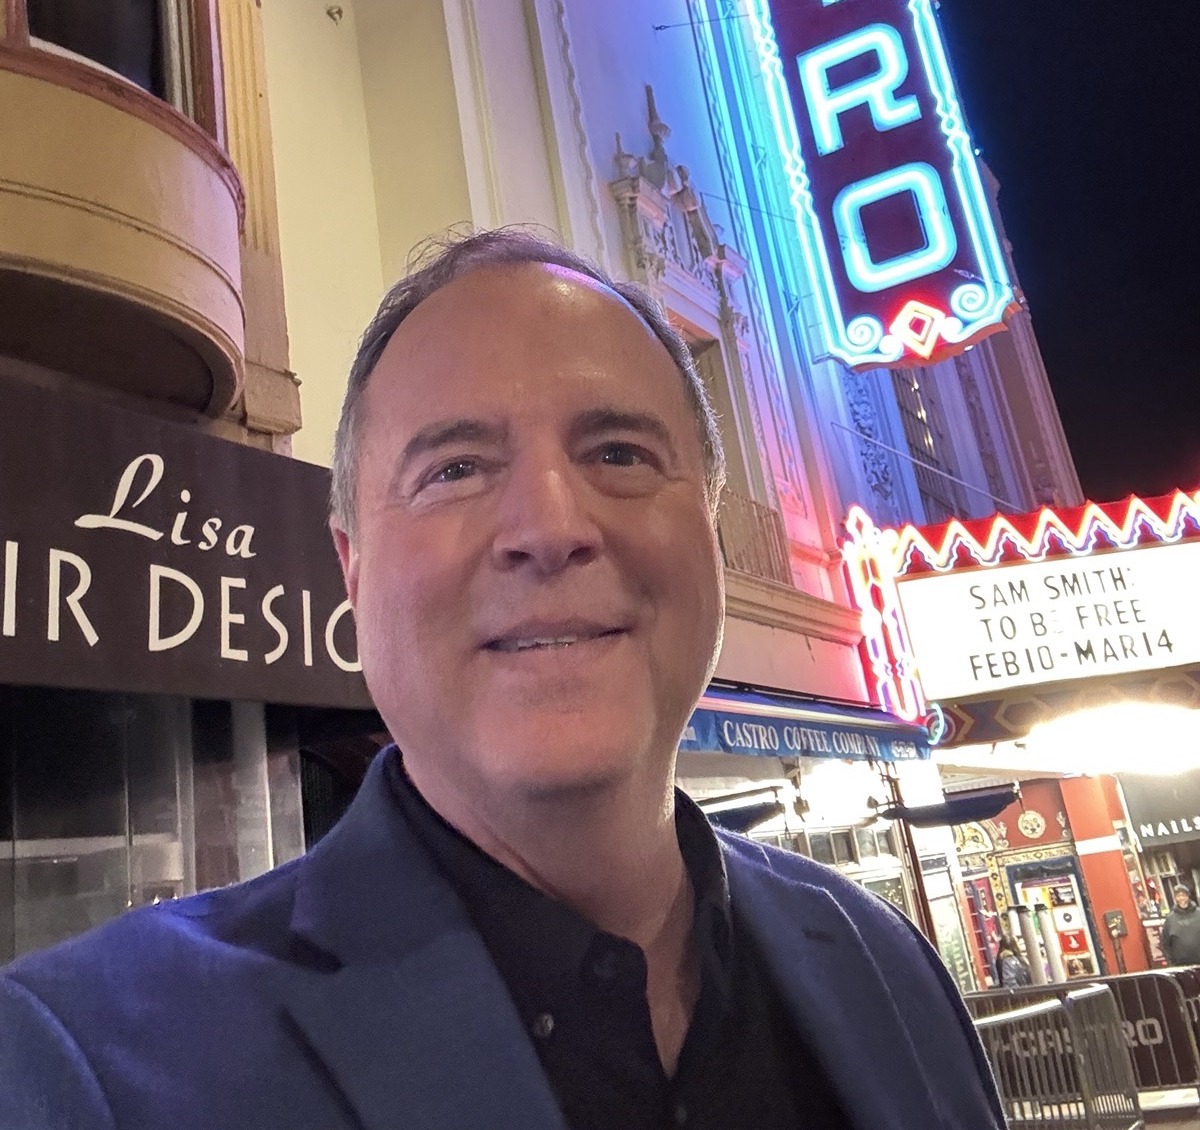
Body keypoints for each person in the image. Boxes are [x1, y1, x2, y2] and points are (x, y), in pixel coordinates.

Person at [0, 230, 1004, 1129]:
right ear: (352, 569)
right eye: (455, 469)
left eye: (619, 451)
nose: (550, 527)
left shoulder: (886, 965)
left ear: (707, 529)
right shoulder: (83, 1066)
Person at [1161, 883, 1200, 967]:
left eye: (1184, 895)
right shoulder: (1170, 919)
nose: (1181, 898)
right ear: (1175, 898)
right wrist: (1171, 964)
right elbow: (1165, 943)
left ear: (1188, 896)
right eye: (1178, 896)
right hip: (1181, 966)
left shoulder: (1199, 913)